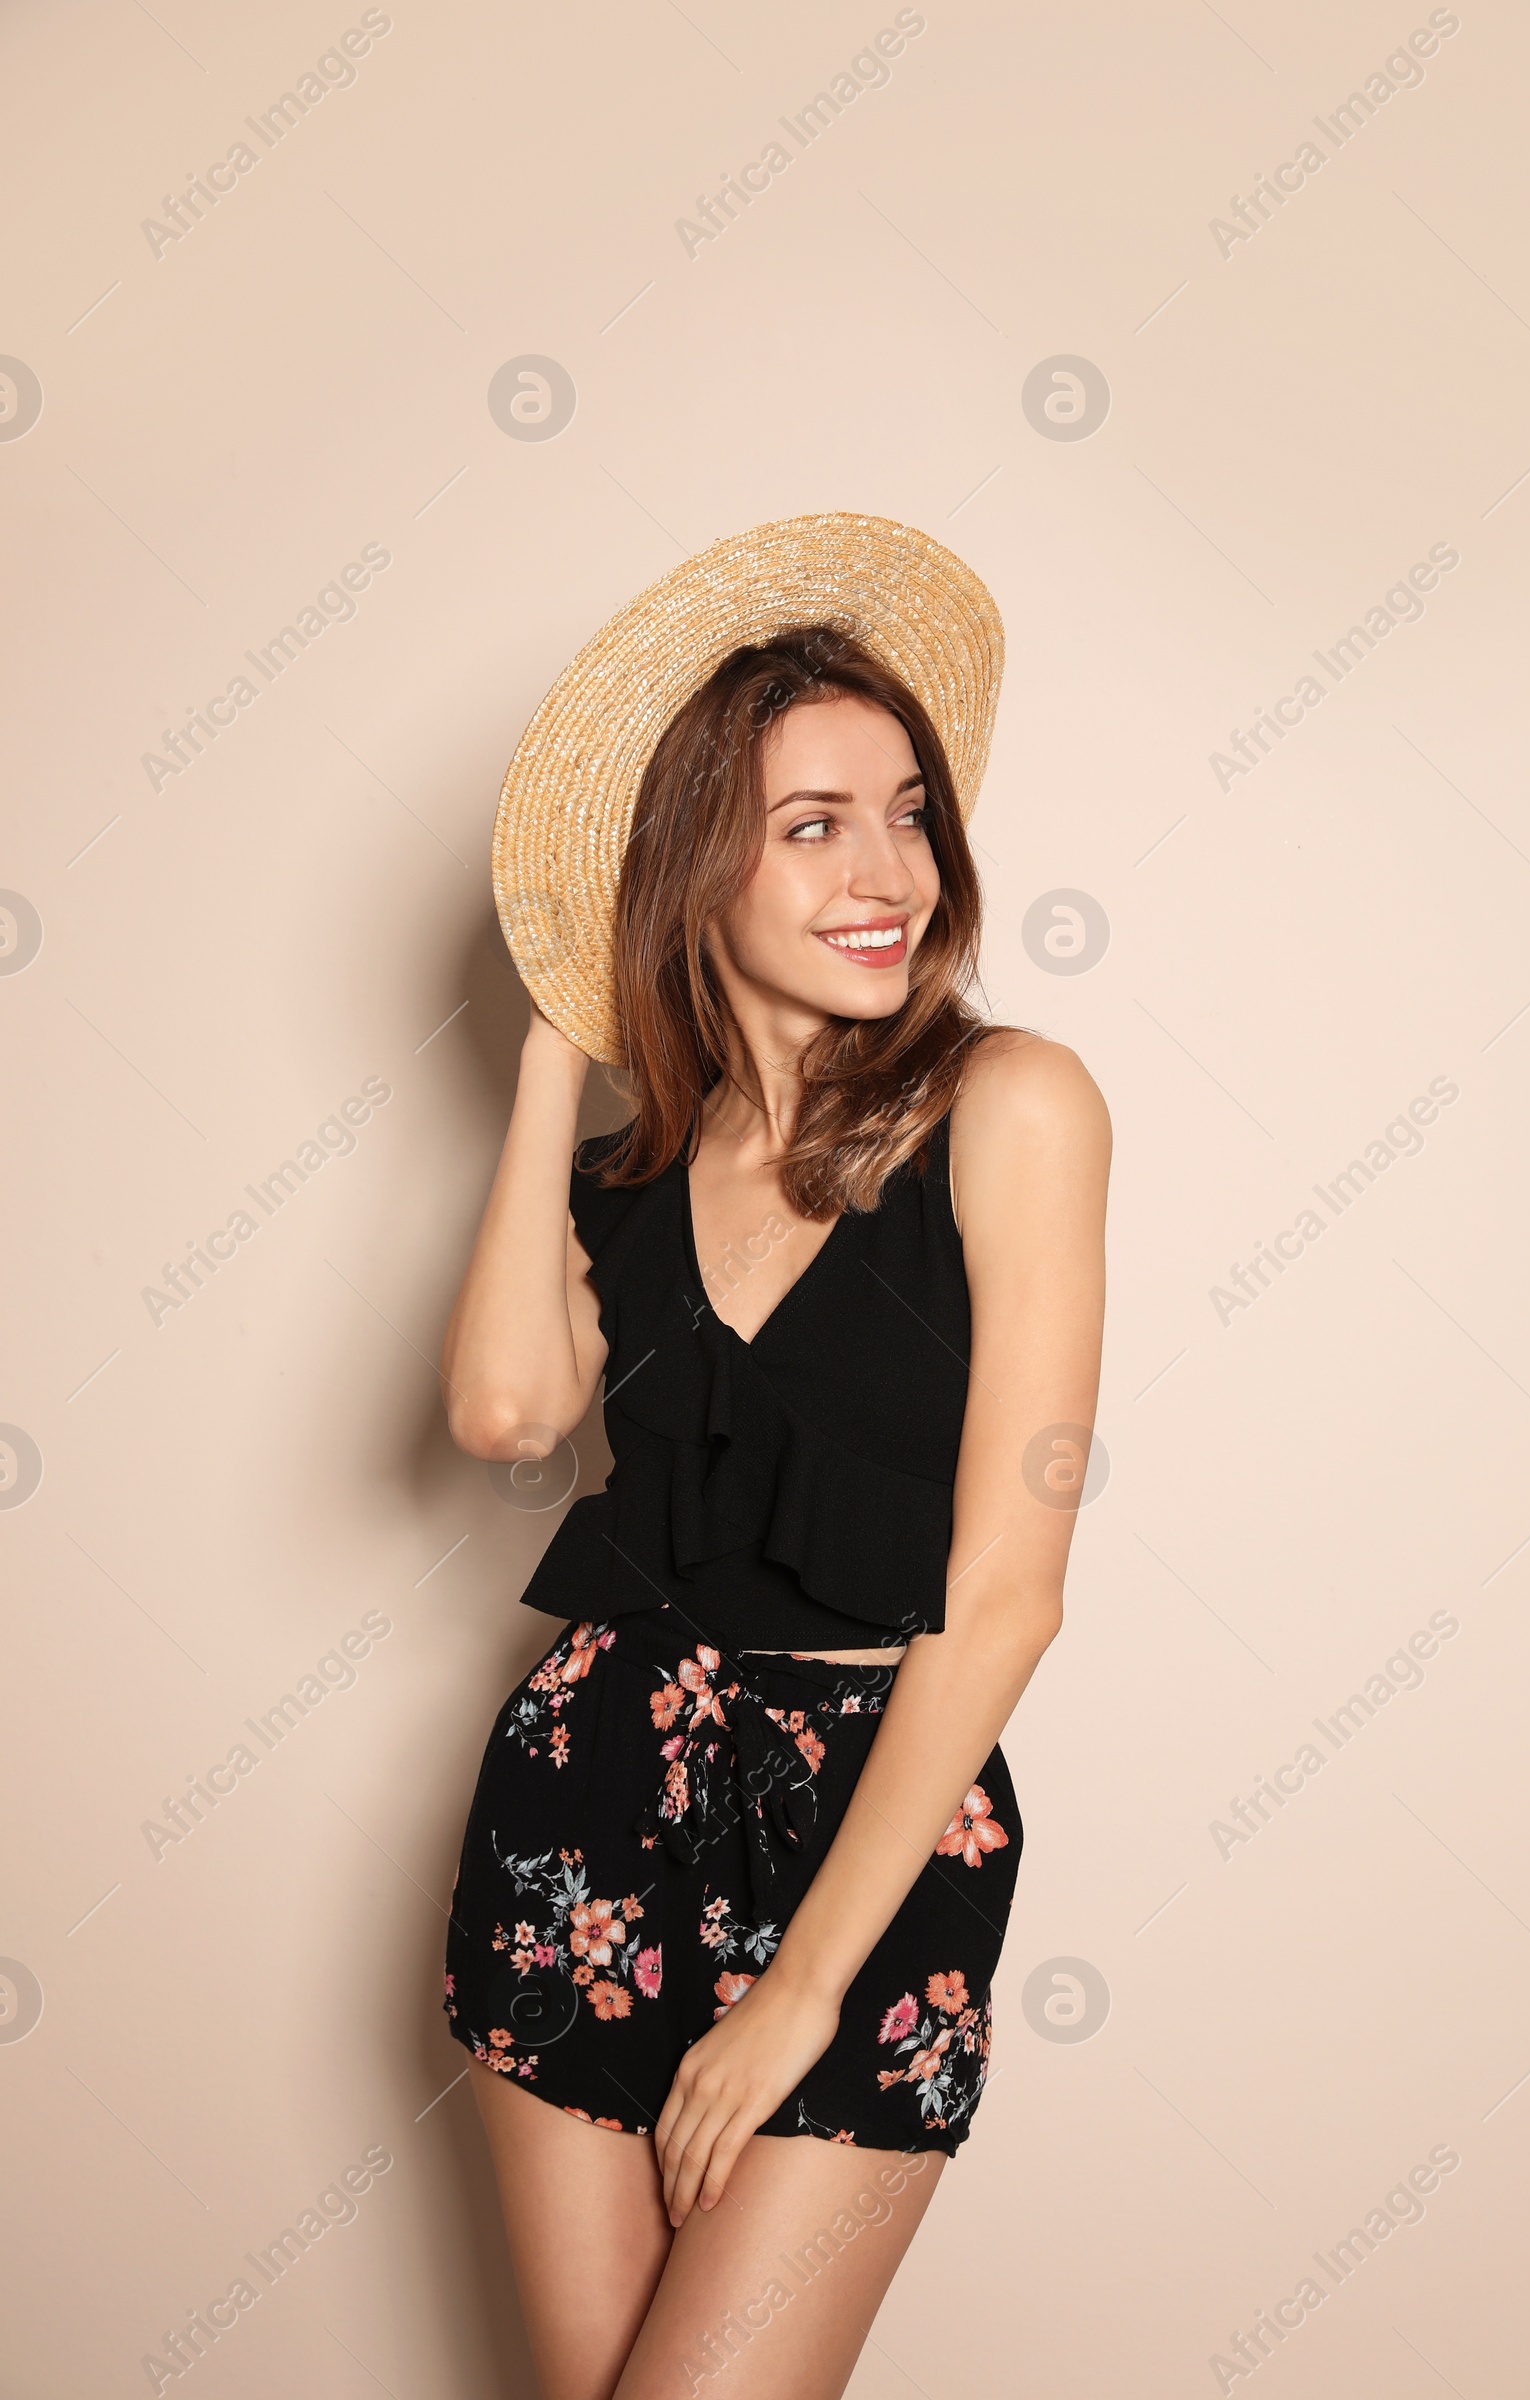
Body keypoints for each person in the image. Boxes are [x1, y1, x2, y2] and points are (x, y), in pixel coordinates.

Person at [438, 515, 1109, 2399]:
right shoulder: (619, 1184)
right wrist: (557, 1040)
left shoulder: (1012, 1107)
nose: (888, 867)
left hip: (872, 1826)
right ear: (685, 861)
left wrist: (802, 1990)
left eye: (906, 811)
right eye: (811, 823)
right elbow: (503, 1414)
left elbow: (1006, 1601)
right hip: (583, 1798)